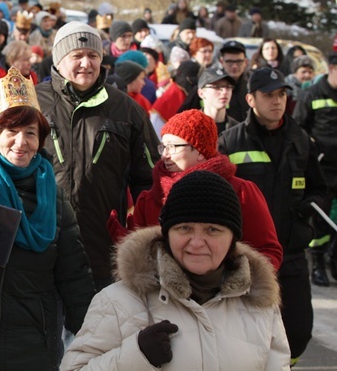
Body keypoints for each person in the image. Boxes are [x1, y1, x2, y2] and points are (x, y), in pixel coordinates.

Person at [61, 170, 290, 371]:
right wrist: (136, 356)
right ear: (167, 233)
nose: (197, 242)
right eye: (185, 228)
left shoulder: (260, 306)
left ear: (233, 238)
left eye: (212, 230)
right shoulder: (118, 302)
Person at [0, 67, 95, 370]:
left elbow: (74, 274)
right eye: (11, 132)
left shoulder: (54, 195)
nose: (21, 142)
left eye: (30, 133)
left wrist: (94, 336)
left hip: (37, 335)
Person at [35, 22, 160, 288]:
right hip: (39, 244)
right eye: (76, 56)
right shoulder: (32, 103)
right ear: (59, 60)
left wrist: (143, 235)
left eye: (92, 55)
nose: (86, 63)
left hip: (102, 248)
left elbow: (149, 180)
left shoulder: (127, 110)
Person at [219, 68, 327, 366]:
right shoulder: (230, 142)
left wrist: (311, 204)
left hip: (291, 253)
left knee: (298, 331)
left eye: (281, 94)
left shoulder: (301, 139)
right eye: (269, 95)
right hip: (246, 256)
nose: (277, 101)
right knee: (245, 333)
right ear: (251, 99)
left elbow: (320, 188)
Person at [132, 109, 282, 268]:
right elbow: (138, 258)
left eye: (173, 147)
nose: (164, 155)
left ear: (200, 151)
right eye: (163, 147)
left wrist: (234, 281)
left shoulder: (241, 191)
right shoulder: (150, 198)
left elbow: (268, 251)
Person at [292, 52, 337, 286]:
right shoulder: (312, 94)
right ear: (331, 69)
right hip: (323, 169)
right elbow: (299, 129)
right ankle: (318, 265)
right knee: (321, 220)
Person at [198, 67, 240, 133]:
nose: (224, 92)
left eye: (228, 87)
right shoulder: (191, 126)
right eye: (216, 87)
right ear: (201, 93)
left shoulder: (238, 130)